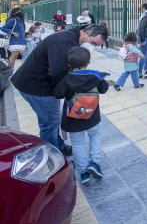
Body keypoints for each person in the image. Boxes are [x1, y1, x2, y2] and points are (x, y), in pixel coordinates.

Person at [11, 24, 108, 155]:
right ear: (87, 32)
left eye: (97, 45)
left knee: (51, 120)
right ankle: (52, 156)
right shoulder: (63, 41)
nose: (93, 47)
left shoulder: (73, 38)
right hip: (34, 85)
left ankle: (58, 147)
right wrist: (68, 88)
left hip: (41, 83)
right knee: (50, 122)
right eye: (93, 43)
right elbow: (57, 72)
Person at [53, 47, 109, 183]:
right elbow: (104, 88)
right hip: (92, 116)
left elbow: (57, 93)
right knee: (95, 136)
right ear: (88, 62)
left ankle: (83, 173)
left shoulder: (67, 79)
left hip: (73, 119)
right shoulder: (95, 75)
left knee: (78, 144)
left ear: (69, 65)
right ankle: (94, 163)